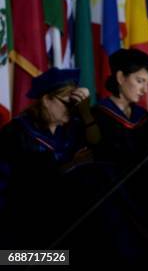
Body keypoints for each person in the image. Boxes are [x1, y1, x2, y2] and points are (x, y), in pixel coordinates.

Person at [87, 48, 148, 268]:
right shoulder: (95, 117)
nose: (144, 89)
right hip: (109, 205)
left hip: (142, 205)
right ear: (121, 77)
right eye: (140, 80)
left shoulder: (146, 120)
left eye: (147, 83)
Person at [0, 68, 92, 248]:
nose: (72, 110)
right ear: (46, 100)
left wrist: (86, 110)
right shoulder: (15, 133)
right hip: (23, 228)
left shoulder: (73, 130)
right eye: (67, 103)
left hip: (63, 226)